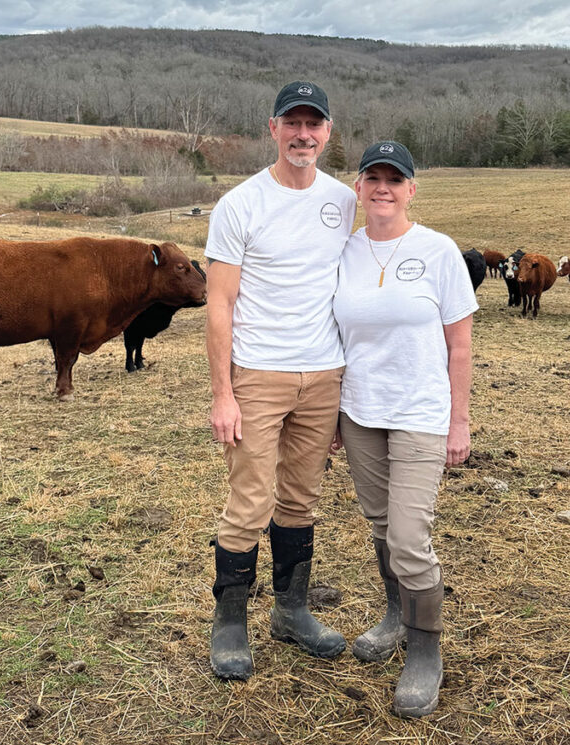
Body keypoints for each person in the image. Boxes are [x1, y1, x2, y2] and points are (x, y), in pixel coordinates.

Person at [204, 81, 357, 680]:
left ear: (327, 133)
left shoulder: (344, 202)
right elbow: (220, 305)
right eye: (291, 123)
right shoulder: (240, 204)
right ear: (272, 129)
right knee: (250, 499)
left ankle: (292, 611)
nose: (303, 134)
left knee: (300, 499)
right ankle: (231, 623)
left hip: (324, 375)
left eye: (313, 124)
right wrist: (223, 393)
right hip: (259, 374)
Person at [332, 141, 477, 717]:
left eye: (396, 179)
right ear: (360, 187)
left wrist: (458, 420)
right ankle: (395, 614)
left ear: (412, 189)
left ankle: (424, 652)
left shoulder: (439, 252)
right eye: (374, 178)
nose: (384, 188)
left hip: (420, 412)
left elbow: (460, 344)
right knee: (380, 523)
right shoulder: (344, 250)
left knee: (410, 539)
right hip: (360, 411)